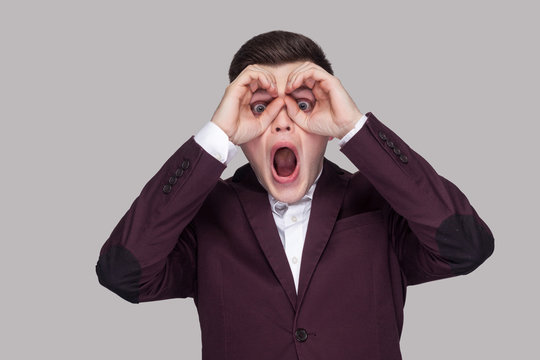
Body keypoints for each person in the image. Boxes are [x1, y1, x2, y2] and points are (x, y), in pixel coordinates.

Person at [96, 30, 494, 359]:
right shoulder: (205, 215)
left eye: (303, 106)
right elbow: (123, 273)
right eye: (260, 109)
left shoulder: (381, 203)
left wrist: (353, 126)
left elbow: (466, 246)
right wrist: (216, 137)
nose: (283, 124)